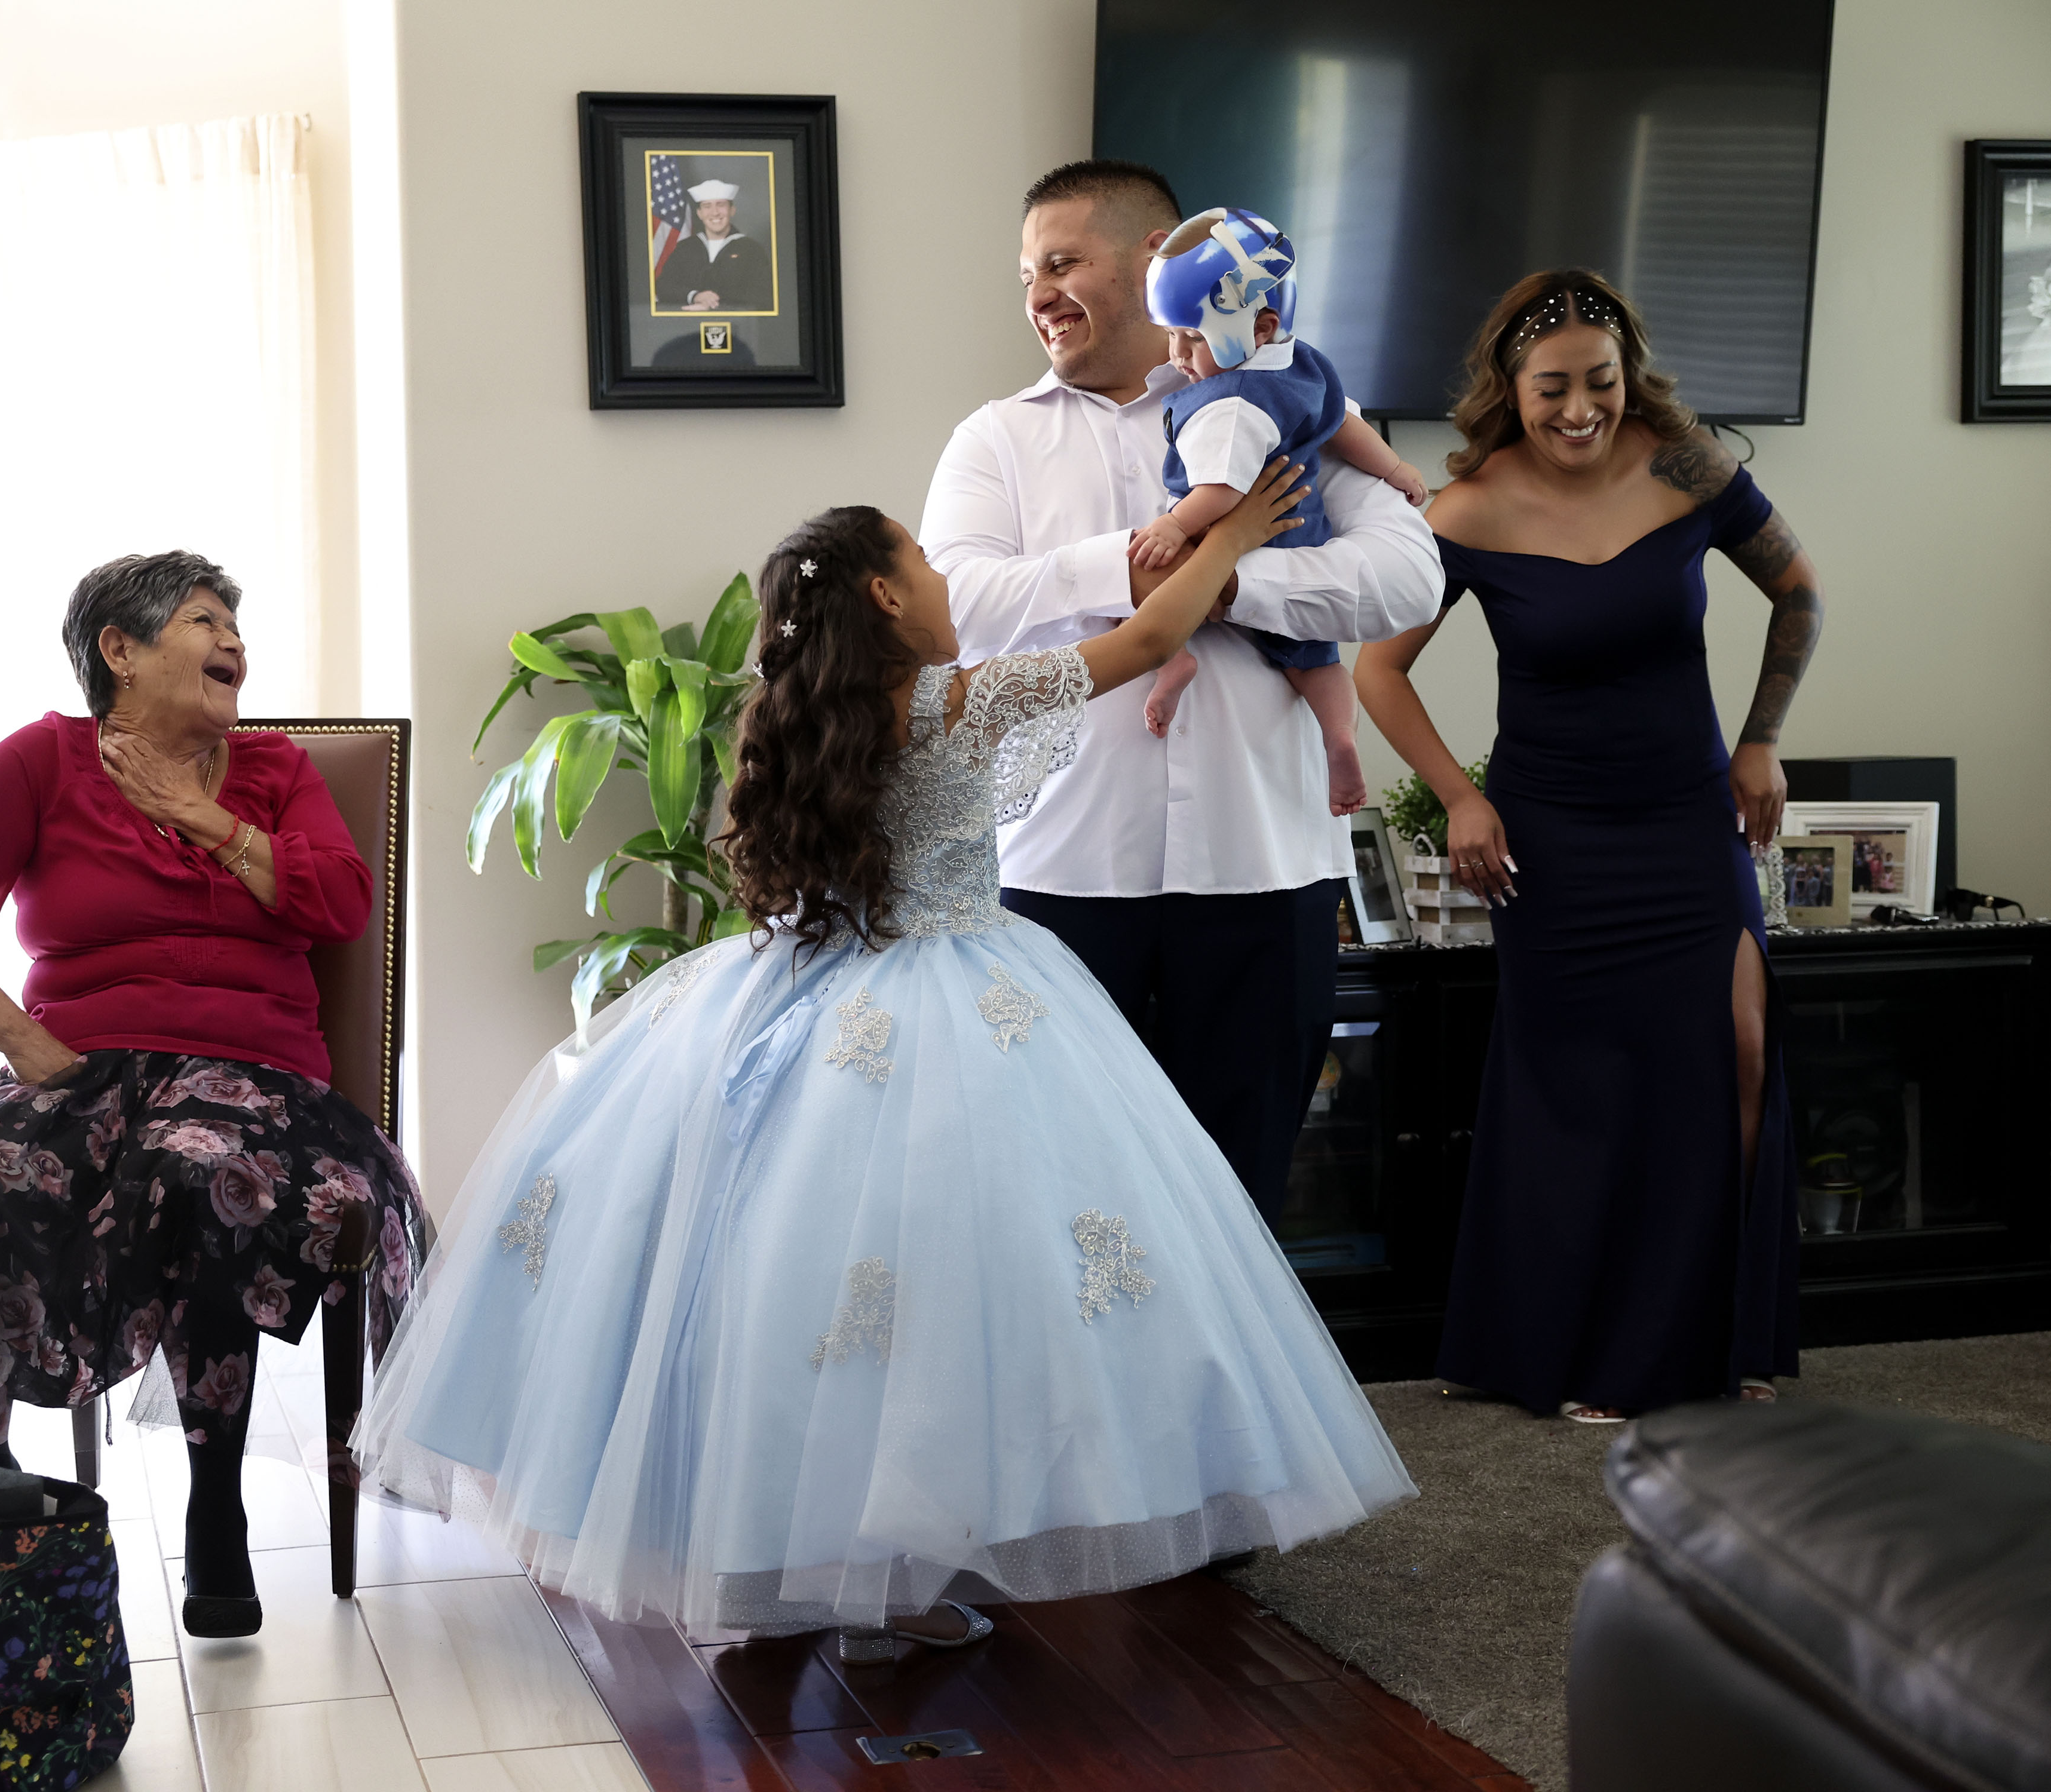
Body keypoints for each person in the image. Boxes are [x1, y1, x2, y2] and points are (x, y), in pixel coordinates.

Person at [351, 476, 1412, 1659]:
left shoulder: (788, 715)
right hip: (963, 992)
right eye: (929, 565)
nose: (948, 586)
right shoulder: (960, 700)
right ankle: (886, 1576)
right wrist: (1236, 535)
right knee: (944, 1290)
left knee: (791, 1287)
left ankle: (803, 1563)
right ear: (885, 594)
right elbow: (1154, 637)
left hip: (794, 988)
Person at [0, 550, 432, 1635]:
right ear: (118, 650)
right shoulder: (47, 760)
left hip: (255, 1082)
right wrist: (18, 1039)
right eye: (204, 621)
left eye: (236, 627)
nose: (233, 644)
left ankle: (214, 1508)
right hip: (83, 1073)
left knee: (201, 1175)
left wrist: (202, 816)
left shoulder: (272, 773)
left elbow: (338, 902)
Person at [919, 159, 1442, 1226]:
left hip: (1265, 868)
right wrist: (1129, 571)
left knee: (1237, 1200)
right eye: (1025, 274)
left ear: (1155, 266)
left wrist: (1232, 582)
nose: (1037, 296)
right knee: (1058, 1201)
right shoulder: (995, 439)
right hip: (1059, 877)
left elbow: (1405, 577)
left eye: (1062, 263)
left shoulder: (1283, 394)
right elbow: (954, 609)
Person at [1354, 271, 1824, 1423]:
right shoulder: (1461, 513)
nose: (1580, 409)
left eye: (1600, 383)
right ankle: (1575, 1352)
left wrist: (1761, 739)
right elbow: (1375, 666)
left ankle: (1722, 1335)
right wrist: (1461, 799)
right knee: (1582, 1093)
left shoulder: (1688, 466)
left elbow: (1797, 588)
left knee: (1739, 1055)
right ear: (1507, 392)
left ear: (1629, 378)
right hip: (1553, 836)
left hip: (1684, 817)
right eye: (1552, 387)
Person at [1129, 207, 1427, 815]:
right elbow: (1343, 423)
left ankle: (1175, 660)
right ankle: (1338, 735)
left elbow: (1221, 493)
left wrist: (1173, 526)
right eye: (1172, 335)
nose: (1177, 353)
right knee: (1315, 662)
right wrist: (1394, 469)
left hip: (1237, 544)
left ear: (1259, 327)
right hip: (1302, 536)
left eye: (1192, 338)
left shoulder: (1230, 405)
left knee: (1139, 592)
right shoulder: (1302, 362)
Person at [654, 178, 774, 313]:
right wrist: (695, 297)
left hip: (738, 325)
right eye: (707, 206)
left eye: (721, 205)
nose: (715, 212)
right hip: (688, 325)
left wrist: (714, 302)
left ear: (732, 210)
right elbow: (663, 286)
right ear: (699, 213)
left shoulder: (752, 250)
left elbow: (764, 295)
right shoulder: (685, 248)